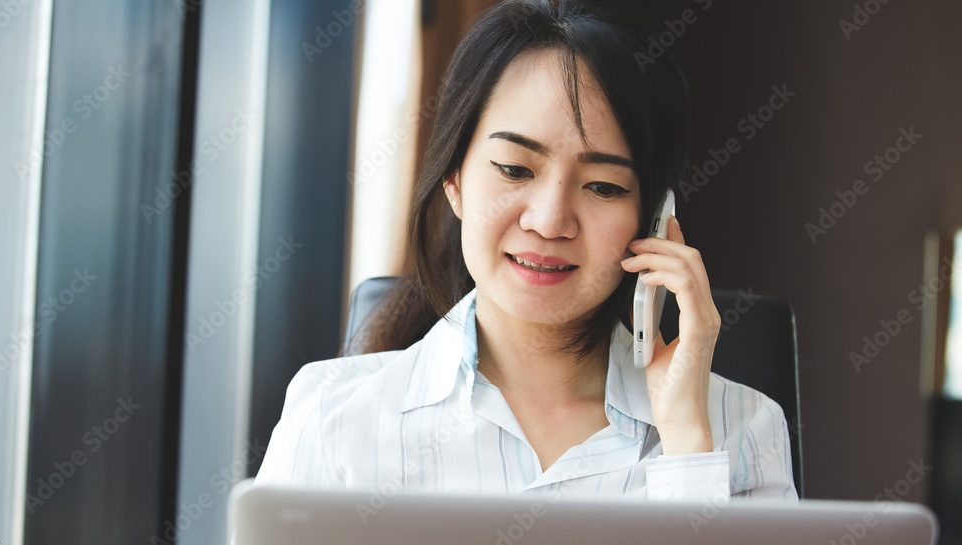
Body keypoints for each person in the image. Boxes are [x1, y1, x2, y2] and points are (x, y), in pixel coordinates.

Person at [256, 0, 797, 502]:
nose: (550, 221)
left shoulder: (743, 429)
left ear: (655, 218)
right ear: (455, 179)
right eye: (515, 169)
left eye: (604, 187)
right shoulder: (331, 416)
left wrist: (686, 440)